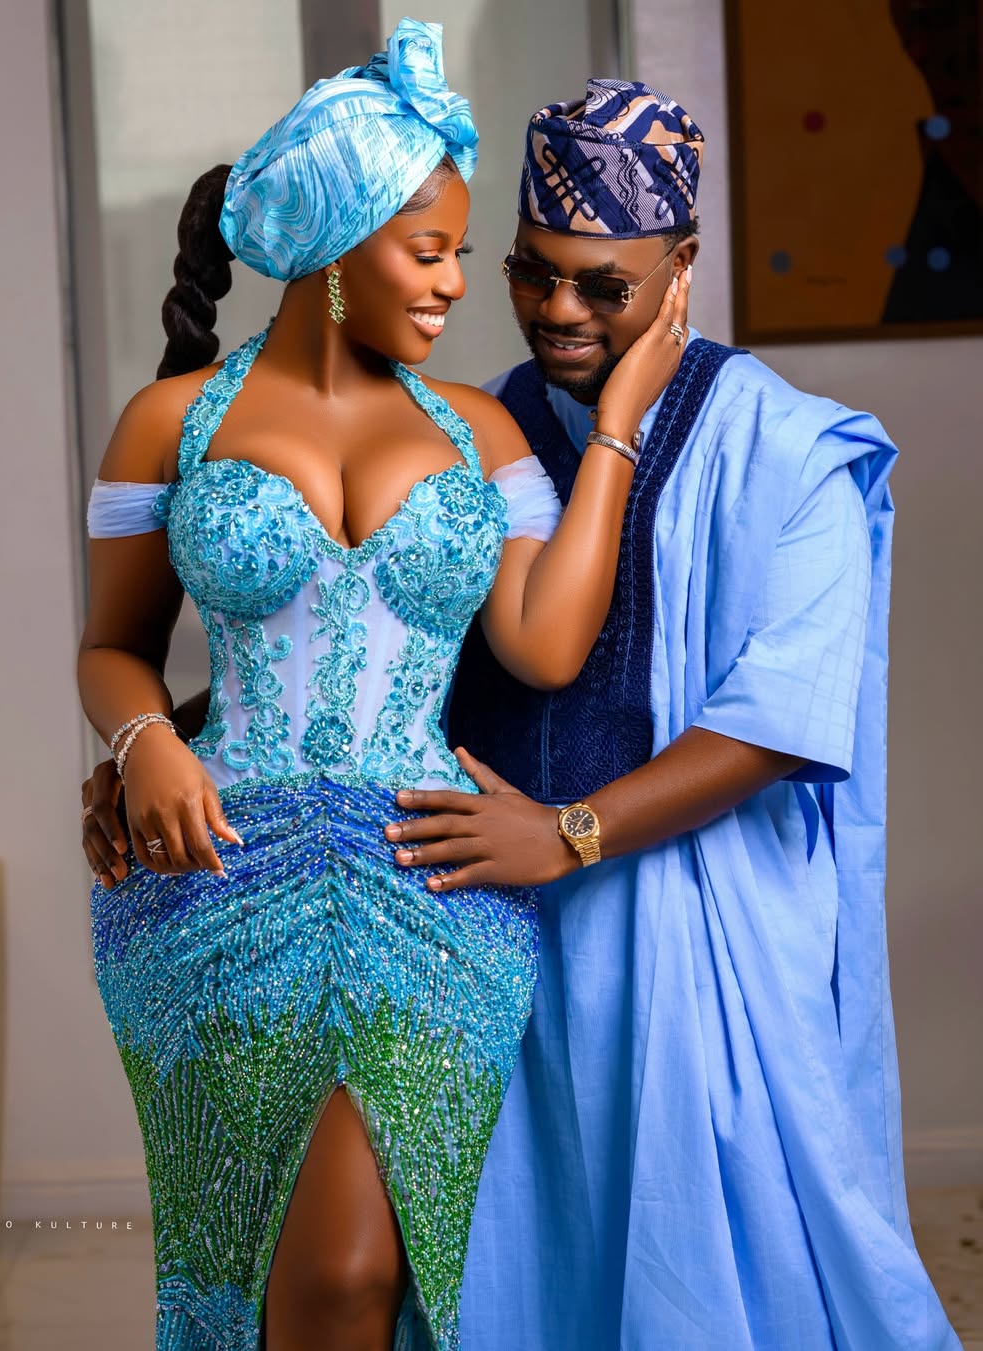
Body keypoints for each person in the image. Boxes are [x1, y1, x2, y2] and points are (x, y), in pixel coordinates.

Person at [77, 25, 690, 1351]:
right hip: (213, 877)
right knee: (244, 1265)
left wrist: (622, 424)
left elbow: (546, 646)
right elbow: (112, 644)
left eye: (465, 252)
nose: (461, 284)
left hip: (431, 888)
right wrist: (143, 744)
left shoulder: (487, 431)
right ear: (337, 244)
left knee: (371, 1274)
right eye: (430, 251)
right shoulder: (168, 419)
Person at [394, 83, 963, 1349]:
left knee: (702, 1281)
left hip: (693, 943)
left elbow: (778, 719)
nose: (559, 313)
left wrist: (570, 834)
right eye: (533, 276)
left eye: (607, 287)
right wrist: (148, 742)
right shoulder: (462, 437)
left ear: (684, 265)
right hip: (477, 929)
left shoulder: (795, 454)